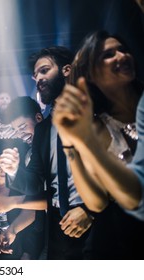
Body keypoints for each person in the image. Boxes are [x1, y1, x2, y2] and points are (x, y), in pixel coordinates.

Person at [0, 46, 94, 259]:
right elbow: (34, 182)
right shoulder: (44, 130)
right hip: (58, 228)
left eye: (44, 70)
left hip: (97, 224)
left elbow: (118, 169)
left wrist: (90, 211)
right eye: (35, 74)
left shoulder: (94, 114)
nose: (38, 78)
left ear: (67, 70)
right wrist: (13, 171)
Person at [52, 30, 144, 258]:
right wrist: (71, 143)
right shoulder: (97, 128)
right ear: (91, 74)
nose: (122, 56)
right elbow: (96, 203)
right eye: (109, 55)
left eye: (123, 50)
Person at [0, 97, 45, 259]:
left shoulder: (54, 145)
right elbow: (36, 192)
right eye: (17, 130)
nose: (21, 134)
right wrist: (11, 230)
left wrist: (13, 202)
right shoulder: (29, 155)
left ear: (38, 118)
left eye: (22, 127)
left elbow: (54, 198)